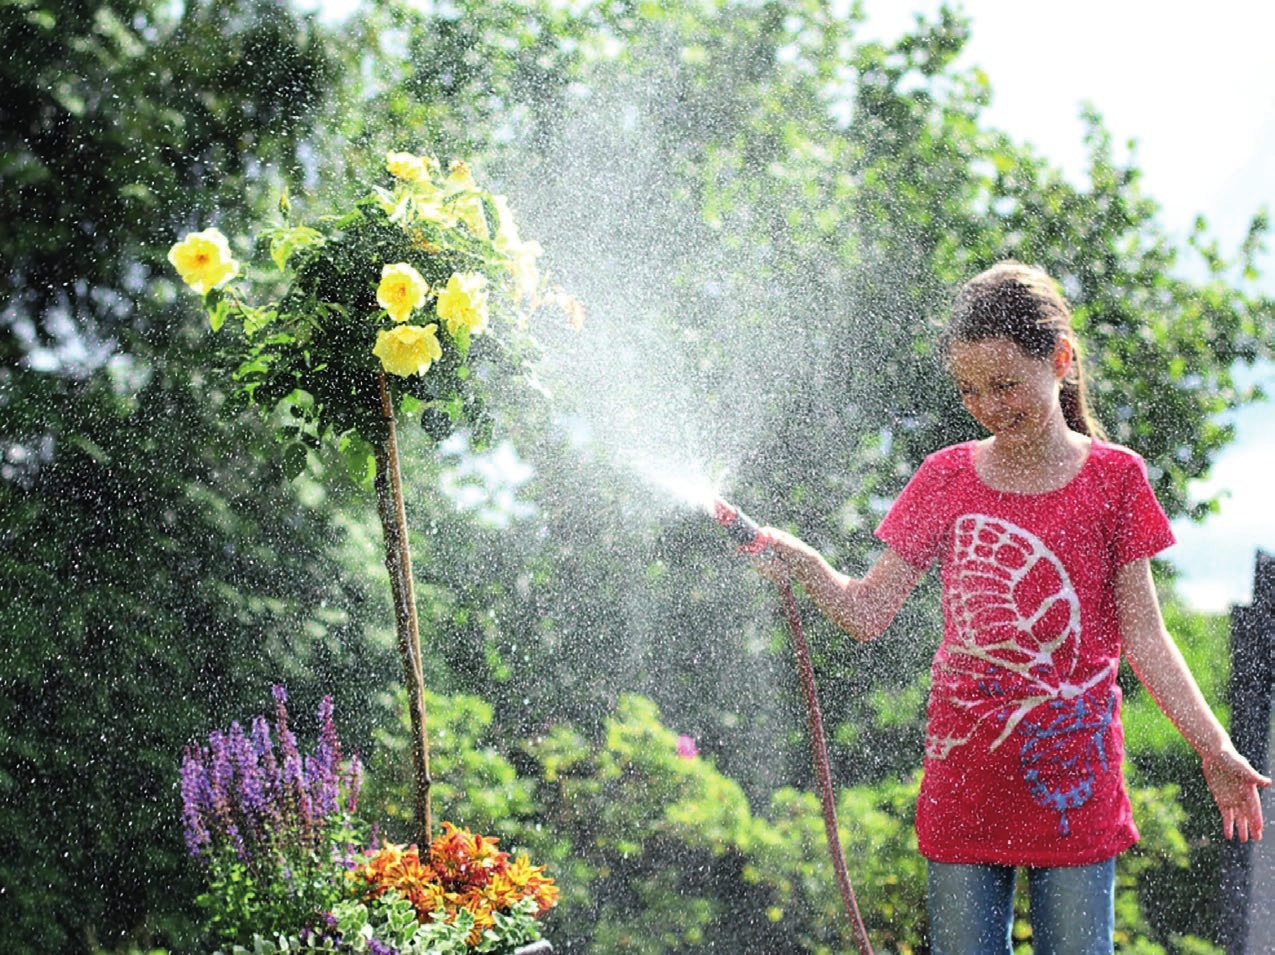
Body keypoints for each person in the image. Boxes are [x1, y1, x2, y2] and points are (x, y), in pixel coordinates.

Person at [757, 261, 1270, 955]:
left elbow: (1145, 636)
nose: (989, 406)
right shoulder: (943, 479)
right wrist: (801, 560)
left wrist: (1212, 746)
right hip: (964, 785)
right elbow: (866, 611)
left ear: (1059, 360)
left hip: (1073, 785)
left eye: (1004, 384)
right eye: (970, 390)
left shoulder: (1114, 479)